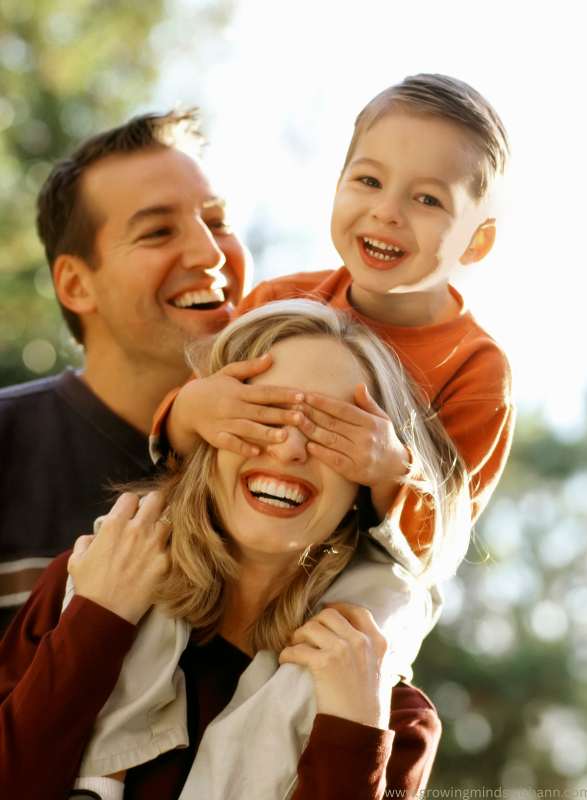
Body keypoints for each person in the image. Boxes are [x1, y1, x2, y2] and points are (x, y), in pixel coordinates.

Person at [0, 300, 470, 800]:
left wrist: (352, 738)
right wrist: (95, 626)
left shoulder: (389, 716)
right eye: (262, 416)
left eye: (332, 433)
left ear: (366, 489)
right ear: (206, 437)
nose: (289, 449)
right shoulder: (86, 588)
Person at [152, 73, 514, 556]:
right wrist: (190, 411)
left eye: (428, 199)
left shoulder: (477, 367)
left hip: (358, 570)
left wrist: (390, 469)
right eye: (369, 181)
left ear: (477, 241)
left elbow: (444, 539)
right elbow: (184, 444)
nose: (387, 211)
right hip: (229, 542)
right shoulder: (279, 300)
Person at [0, 109, 268, 630]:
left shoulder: (285, 457)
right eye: (158, 232)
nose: (210, 253)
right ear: (77, 284)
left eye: (218, 223)